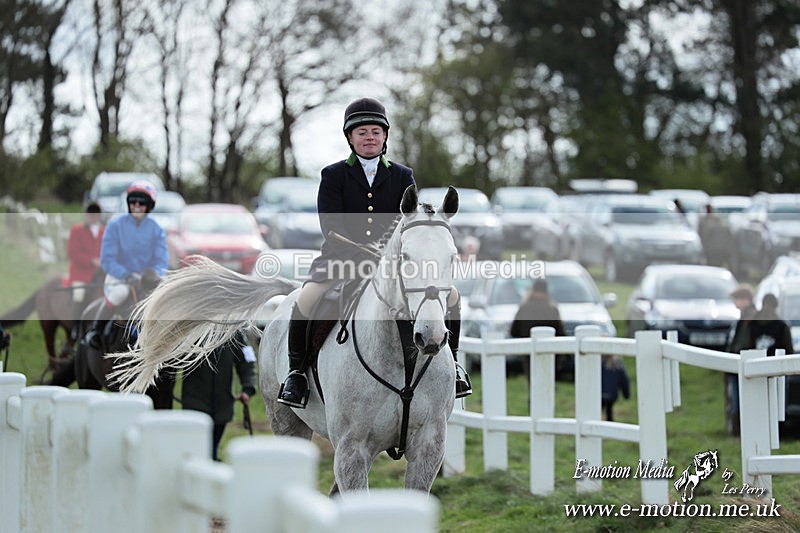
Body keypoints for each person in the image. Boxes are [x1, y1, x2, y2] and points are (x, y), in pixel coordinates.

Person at [277, 97, 471, 408]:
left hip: (391, 264)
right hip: (340, 259)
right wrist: (361, 252)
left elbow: (405, 220)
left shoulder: (402, 175)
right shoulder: (333, 175)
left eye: (376, 132)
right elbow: (331, 226)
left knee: (452, 298)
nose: (370, 137)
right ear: (350, 138)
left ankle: (455, 366)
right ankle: (297, 373)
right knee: (308, 298)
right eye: (362, 132)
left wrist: (386, 254)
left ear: (384, 137)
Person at [84, 180, 169, 350]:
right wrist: (126, 274)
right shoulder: (115, 225)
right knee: (118, 294)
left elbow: (161, 261)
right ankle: (95, 331)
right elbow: (107, 260)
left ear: (149, 205)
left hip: (147, 279)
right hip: (120, 277)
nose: (136, 205)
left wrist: (152, 274)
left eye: (141, 202)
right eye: (133, 201)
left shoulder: (157, 228)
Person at [182, 331, 257, 461]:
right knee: (200, 447)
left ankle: (212, 459)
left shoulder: (235, 333)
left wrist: (248, 388)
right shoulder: (191, 330)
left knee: (214, 442)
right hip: (195, 403)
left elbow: (247, 360)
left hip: (222, 405)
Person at [509, 279, 569, 380]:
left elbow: (514, 331)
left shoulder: (524, 308)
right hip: (550, 353)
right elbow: (560, 333)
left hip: (528, 352)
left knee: (532, 382)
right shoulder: (552, 309)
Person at [66, 202, 104, 339]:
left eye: (95, 213)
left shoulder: (105, 231)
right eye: (90, 213)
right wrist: (92, 260)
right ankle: (75, 329)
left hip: (101, 275)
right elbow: (73, 253)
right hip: (81, 274)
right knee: (79, 296)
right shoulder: (76, 230)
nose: (93, 216)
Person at [601, 355, 630, 421]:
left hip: (600, 393)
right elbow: (624, 381)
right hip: (612, 394)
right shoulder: (618, 365)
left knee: (599, 410)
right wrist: (626, 394)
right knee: (609, 411)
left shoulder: (600, 363)